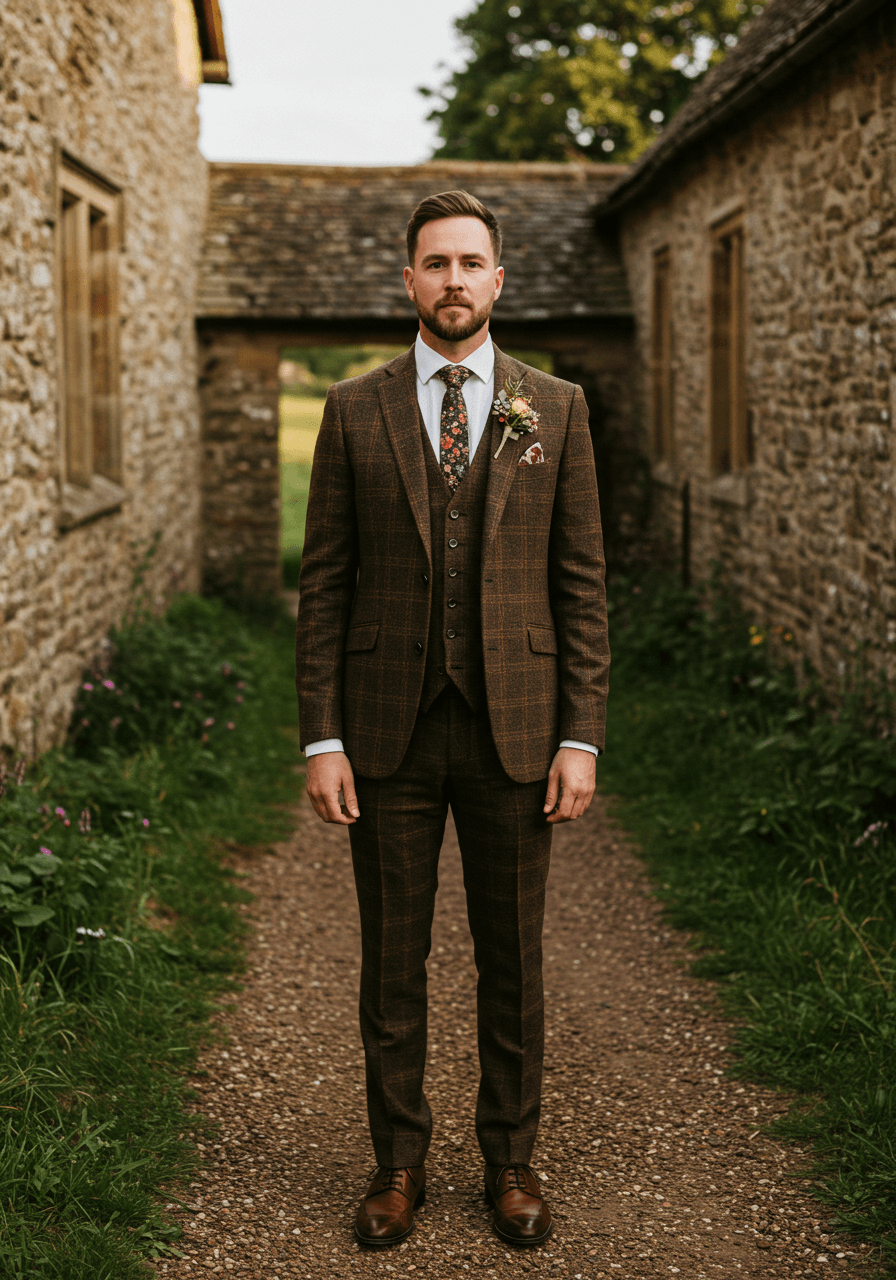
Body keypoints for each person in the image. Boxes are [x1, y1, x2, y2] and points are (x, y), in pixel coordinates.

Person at [295, 190, 609, 1248]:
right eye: (435, 263)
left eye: (471, 263)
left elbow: (580, 586)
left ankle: (510, 1161)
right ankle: (397, 1163)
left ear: (497, 281)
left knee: (510, 956)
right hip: (385, 727)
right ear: (409, 281)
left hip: (514, 727)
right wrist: (322, 735)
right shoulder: (353, 406)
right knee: (391, 958)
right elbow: (325, 585)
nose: (454, 281)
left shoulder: (552, 408)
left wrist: (580, 732)